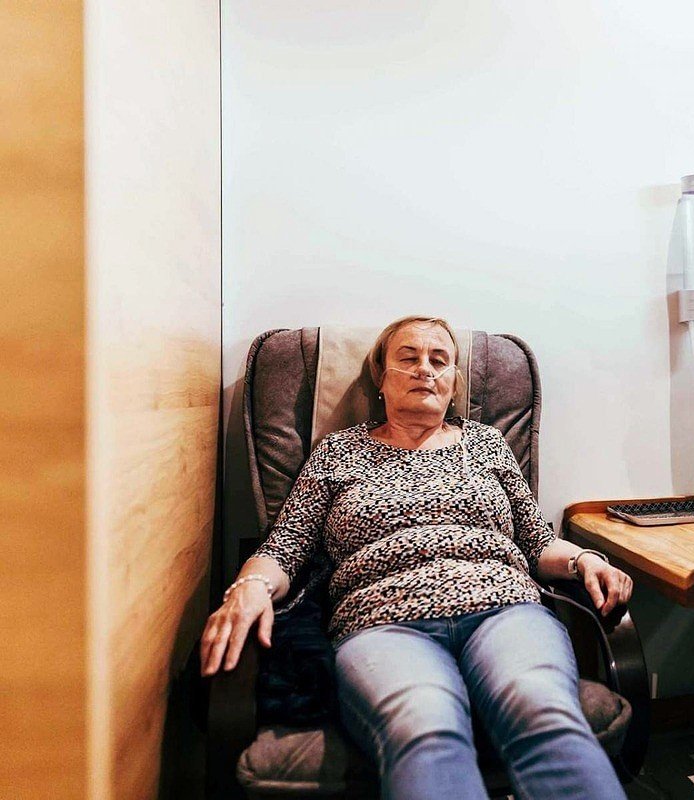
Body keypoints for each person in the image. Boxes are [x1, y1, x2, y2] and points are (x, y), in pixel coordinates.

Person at [200, 315, 631, 800]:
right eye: (408, 358)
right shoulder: (336, 452)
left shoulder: (487, 444)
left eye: (439, 360)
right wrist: (249, 587)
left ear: (453, 384)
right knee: (423, 728)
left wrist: (584, 560)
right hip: (381, 624)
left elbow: (537, 539)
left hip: (507, 611)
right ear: (380, 380)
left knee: (543, 713)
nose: (425, 368)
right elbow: (285, 545)